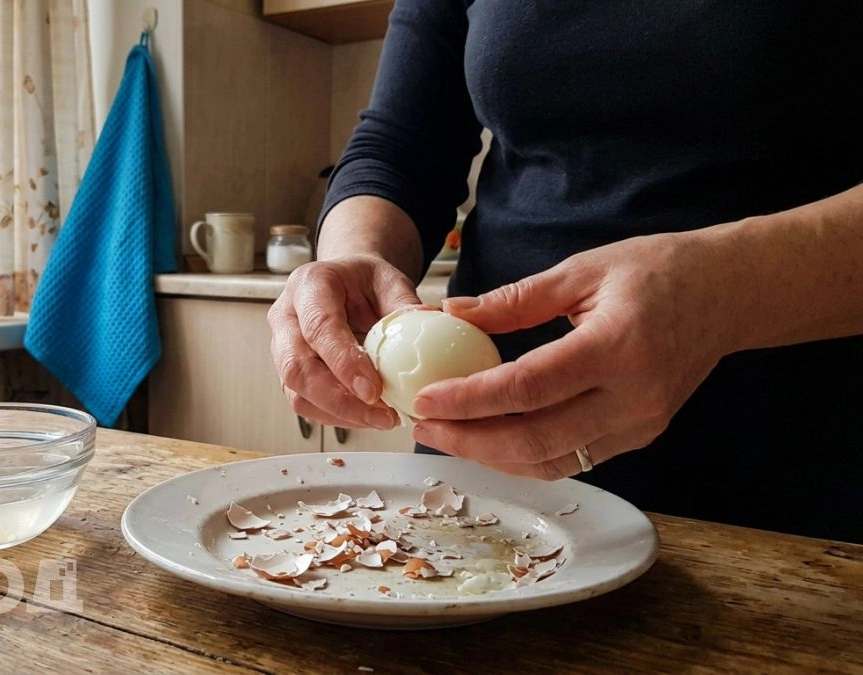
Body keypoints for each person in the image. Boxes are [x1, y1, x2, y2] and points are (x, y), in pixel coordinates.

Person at [267, 0, 863, 543]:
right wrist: (352, 252)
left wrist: (724, 293)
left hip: (794, 474)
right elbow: (400, 145)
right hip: (482, 476)